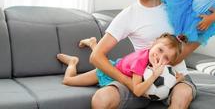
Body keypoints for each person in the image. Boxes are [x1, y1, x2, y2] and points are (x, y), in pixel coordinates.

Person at [90, 0, 199, 109]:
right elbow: (96, 56)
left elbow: (196, 30)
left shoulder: (174, 5)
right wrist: (128, 82)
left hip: (176, 77)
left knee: (183, 94)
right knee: (101, 99)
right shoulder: (128, 15)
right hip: (140, 80)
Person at [56, 33, 185, 98]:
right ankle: (72, 62)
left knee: (103, 60)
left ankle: (92, 43)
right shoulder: (140, 61)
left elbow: (165, 78)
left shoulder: (158, 63)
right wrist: (154, 76)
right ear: (153, 43)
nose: (160, 58)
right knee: (68, 81)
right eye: (160, 50)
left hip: (119, 66)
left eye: (166, 58)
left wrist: (176, 78)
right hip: (106, 73)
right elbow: (138, 91)